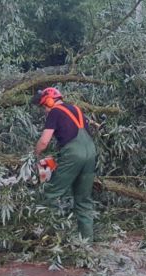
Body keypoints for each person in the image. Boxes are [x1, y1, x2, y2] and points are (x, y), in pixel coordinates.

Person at [33, 87, 98, 240]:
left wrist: (33, 156)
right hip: (91, 153)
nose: (44, 111)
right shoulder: (76, 109)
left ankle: (47, 236)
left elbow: (43, 142)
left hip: (73, 155)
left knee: (51, 193)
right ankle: (86, 244)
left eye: (44, 106)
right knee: (83, 200)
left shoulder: (55, 112)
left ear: (49, 101)